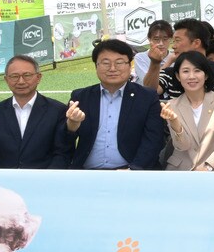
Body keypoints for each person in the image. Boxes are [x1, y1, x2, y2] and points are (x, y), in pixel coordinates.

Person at [65, 39, 166, 170]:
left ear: (130, 66)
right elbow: (62, 143)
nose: (112, 68)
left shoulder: (147, 97)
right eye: (105, 63)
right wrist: (71, 126)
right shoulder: (81, 97)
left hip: (132, 173)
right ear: (96, 66)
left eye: (119, 63)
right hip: (89, 173)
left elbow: (154, 140)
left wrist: (133, 170)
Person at [0, 55, 70, 169]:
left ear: (38, 77)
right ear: (6, 80)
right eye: (14, 76)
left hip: (42, 182)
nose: (21, 81)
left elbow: (63, 154)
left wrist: (45, 180)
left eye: (27, 75)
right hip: (6, 183)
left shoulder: (57, 110)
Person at [159, 50, 214, 171]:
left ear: (206, 75)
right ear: (178, 76)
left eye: (197, 70)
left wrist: (208, 167)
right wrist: (174, 122)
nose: (191, 76)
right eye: (185, 71)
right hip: (180, 170)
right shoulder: (172, 106)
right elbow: (182, 146)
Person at [140, 18, 214, 100]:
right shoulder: (170, 73)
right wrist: (155, 63)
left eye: (177, 41)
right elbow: (149, 92)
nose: (173, 46)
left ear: (196, 43)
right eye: (173, 41)